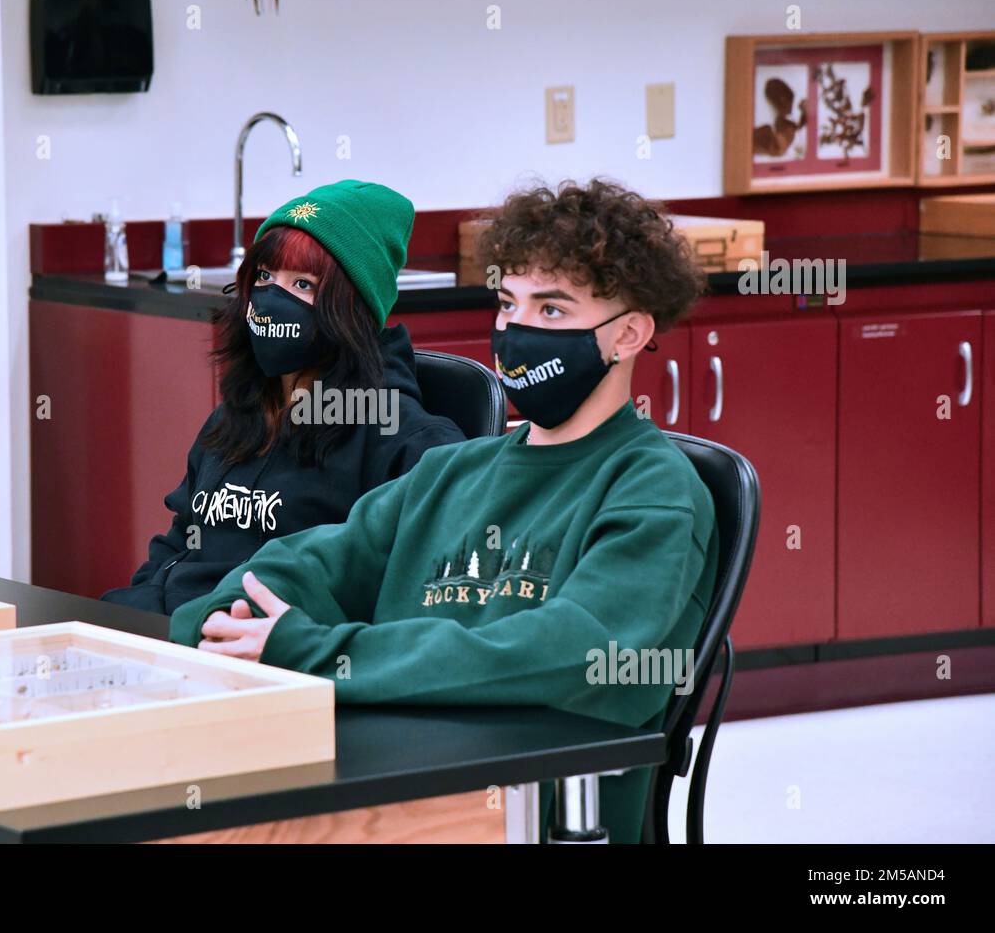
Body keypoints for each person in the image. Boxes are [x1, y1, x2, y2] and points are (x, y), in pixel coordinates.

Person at [169, 177, 720, 843]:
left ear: (628, 334)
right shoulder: (454, 470)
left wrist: (319, 654)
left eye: (551, 312)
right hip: (389, 788)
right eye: (508, 305)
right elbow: (304, 564)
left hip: (520, 815)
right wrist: (216, 629)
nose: (516, 332)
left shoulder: (655, 490)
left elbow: (574, 652)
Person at [102, 180, 464, 616]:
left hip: (265, 659)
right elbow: (181, 540)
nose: (273, 298)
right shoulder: (237, 414)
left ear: (352, 308)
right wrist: (125, 618)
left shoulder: (406, 439)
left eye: (304, 285)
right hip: (175, 634)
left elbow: (407, 595)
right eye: (265, 276)